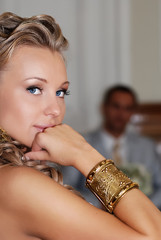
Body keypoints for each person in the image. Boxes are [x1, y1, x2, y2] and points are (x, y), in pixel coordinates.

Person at [0, 12, 160, 240]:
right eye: (34, 89)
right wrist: (84, 154)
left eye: (61, 92)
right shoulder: (20, 185)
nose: (55, 109)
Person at [62, 85, 161, 209]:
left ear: (132, 112)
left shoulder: (147, 146)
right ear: (104, 108)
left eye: (127, 108)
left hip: (141, 218)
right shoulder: (82, 142)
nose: (121, 113)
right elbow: (65, 186)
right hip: (95, 217)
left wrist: (144, 207)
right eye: (116, 106)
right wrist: (99, 203)